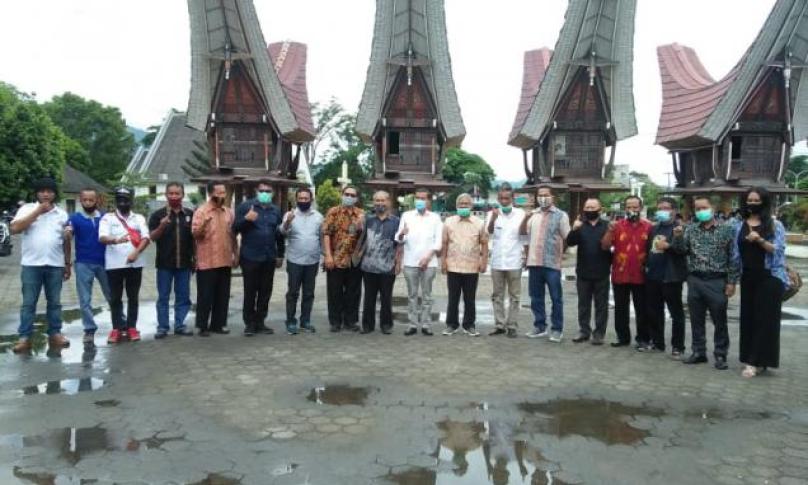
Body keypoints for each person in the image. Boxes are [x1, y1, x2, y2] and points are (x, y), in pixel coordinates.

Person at [671, 196, 739, 370]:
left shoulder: (727, 229)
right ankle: (698, 352)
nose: (701, 211)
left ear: (712, 208)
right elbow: (681, 251)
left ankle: (720, 354)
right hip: (695, 279)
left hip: (717, 280)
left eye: (704, 207)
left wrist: (732, 282)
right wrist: (677, 237)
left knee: (719, 320)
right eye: (698, 208)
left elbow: (734, 258)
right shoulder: (691, 230)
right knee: (696, 319)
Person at [11, 177, 71, 353]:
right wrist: (38, 211)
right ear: (36, 193)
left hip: (55, 264)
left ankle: (55, 334)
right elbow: (15, 228)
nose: (46, 194)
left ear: (54, 193)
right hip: (31, 265)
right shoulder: (27, 208)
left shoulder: (62, 214)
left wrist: (67, 264)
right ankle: (24, 338)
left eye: (49, 191)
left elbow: (66, 241)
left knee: (55, 302)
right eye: (42, 191)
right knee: (29, 303)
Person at [734, 187, 788, 378]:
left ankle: (755, 363)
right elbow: (735, 254)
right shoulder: (738, 224)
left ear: (764, 202)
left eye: (757, 200)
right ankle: (752, 358)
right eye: (750, 200)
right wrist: (732, 279)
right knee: (748, 319)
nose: (753, 204)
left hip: (770, 277)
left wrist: (759, 240)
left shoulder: (775, 225)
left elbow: (778, 250)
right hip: (748, 277)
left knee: (766, 321)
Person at [98, 187, 150, 344]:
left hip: (135, 264)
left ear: (131, 201)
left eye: (126, 199)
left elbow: (146, 237)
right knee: (115, 298)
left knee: (133, 297)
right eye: (120, 199)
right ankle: (116, 328)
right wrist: (115, 240)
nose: (123, 202)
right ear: (116, 201)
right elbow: (102, 237)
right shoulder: (108, 218)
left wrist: (136, 253)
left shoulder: (139, 218)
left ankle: (132, 327)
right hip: (114, 265)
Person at [233, 181, 285, 336]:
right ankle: (249, 324)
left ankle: (260, 322)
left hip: (269, 257)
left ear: (273, 193)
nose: (265, 193)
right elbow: (234, 229)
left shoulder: (275, 210)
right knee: (250, 291)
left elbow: (279, 234)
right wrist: (246, 219)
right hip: (250, 257)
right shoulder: (246, 207)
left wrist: (280, 254)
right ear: (256, 191)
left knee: (265, 291)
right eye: (262, 190)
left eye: (268, 191)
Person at [520, 185, 570, 342]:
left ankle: (557, 329)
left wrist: (559, 253)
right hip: (534, 262)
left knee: (556, 298)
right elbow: (522, 234)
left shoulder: (561, 215)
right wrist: (526, 218)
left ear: (552, 197)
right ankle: (540, 326)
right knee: (536, 297)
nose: (543, 197)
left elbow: (567, 237)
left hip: (552, 264)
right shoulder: (533, 215)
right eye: (540, 195)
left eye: (546, 195)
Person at [65, 188, 115, 344]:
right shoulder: (74, 218)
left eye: (91, 200)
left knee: (112, 295)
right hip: (83, 263)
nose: (88, 202)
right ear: (80, 200)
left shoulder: (106, 218)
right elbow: (68, 234)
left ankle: (119, 324)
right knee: (85, 299)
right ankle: (89, 329)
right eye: (84, 200)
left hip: (105, 262)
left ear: (97, 200)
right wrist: (67, 234)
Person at [602, 196, 652, 349]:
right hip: (620, 274)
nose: (632, 210)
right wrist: (610, 231)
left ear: (641, 208)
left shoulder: (649, 227)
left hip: (641, 274)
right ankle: (622, 338)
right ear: (625, 209)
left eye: (635, 207)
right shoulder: (616, 226)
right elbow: (605, 246)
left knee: (642, 308)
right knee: (621, 308)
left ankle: (643, 338)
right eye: (629, 207)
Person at [148, 182, 195, 339]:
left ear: (183, 195)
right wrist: (161, 226)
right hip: (164, 264)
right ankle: (162, 327)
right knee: (163, 297)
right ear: (166, 195)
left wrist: (195, 259)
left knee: (183, 296)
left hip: (184, 263)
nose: (174, 196)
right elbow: (152, 238)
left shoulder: (190, 214)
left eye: (177, 193)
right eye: (171, 193)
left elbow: (195, 239)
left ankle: (180, 325)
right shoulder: (157, 215)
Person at [192, 182, 238, 337]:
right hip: (207, 261)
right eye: (218, 193)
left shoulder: (228, 212)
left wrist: (236, 254)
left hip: (225, 260)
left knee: (223, 295)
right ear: (211, 193)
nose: (222, 196)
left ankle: (218, 324)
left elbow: (233, 236)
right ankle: (202, 326)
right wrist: (204, 224)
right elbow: (195, 235)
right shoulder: (201, 211)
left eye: (224, 193)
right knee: (205, 295)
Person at [396, 188, 443, 336]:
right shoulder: (406, 215)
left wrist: (428, 257)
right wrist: (402, 234)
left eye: (423, 198)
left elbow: (438, 241)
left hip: (429, 263)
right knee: (412, 295)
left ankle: (426, 324)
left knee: (427, 296)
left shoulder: (435, 218)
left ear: (429, 200)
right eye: (417, 198)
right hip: (410, 262)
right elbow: (398, 238)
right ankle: (412, 324)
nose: (420, 201)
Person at [645, 197, 687, 357]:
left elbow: (684, 251)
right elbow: (649, 249)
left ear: (674, 211)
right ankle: (657, 342)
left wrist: (670, 245)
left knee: (676, 313)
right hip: (653, 276)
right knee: (654, 311)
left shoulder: (680, 229)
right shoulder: (653, 229)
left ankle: (678, 346)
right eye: (660, 208)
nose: (663, 211)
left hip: (671, 277)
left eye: (666, 208)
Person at [441, 193, 488, 336]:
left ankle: (469, 325)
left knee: (470, 298)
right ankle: (451, 324)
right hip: (453, 266)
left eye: (466, 204)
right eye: (461, 204)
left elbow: (484, 244)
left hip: (472, 267)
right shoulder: (448, 222)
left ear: (471, 206)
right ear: (456, 206)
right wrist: (443, 262)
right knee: (453, 298)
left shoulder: (479, 223)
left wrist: (484, 262)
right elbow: (444, 243)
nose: (463, 206)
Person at [565, 198, 611, 345]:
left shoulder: (607, 226)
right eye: (587, 207)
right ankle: (584, 331)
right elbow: (570, 242)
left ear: (600, 209)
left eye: (593, 207)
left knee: (601, 305)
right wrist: (574, 229)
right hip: (583, 272)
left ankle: (599, 334)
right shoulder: (580, 226)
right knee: (583, 304)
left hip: (602, 272)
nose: (590, 210)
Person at [322, 185, 364, 332]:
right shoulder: (333, 212)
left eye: (353, 195)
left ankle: (351, 321)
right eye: (347, 194)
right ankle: (335, 321)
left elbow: (365, 238)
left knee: (353, 292)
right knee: (335, 292)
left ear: (357, 198)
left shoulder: (361, 214)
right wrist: (328, 255)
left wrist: (361, 227)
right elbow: (326, 234)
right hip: (336, 259)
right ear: (342, 194)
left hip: (354, 260)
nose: (349, 197)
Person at [359, 191, 402, 334]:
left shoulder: (396, 221)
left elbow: (399, 243)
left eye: (382, 200)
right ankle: (367, 325)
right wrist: (357, 225)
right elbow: (359, 238)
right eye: (376, 200)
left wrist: (398, 262)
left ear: (388, 202)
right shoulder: (368, 219)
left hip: (387, 267)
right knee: (369, 298)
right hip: (368, 266)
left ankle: (386, 324)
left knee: (386, 297)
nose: (379, 203)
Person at [486, 185, 526, 338]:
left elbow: (524, 236)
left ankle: (512, 325)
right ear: (498, 199)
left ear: (512, 198)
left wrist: (526, 257)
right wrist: (494, 219)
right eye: (501, 198)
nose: (504, 201)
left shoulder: (521, 214)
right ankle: (499, 325)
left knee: (514, 295)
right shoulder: (492, 214)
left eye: (507, 198)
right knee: (497, 295)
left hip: (514, 261)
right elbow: (488, 233)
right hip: (497, 262)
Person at [281, 187, 322, 334]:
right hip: (294, 261)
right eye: (301, 198)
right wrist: (287, 223)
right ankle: (291, 321)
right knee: (293, 292)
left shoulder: (318, 216)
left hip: (312, 261)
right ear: (296, 199)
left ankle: (305, 321)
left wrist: (324, 256)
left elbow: (321, 238)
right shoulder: (290, 215)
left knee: (309, 293)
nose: (303, 201)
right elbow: (282, 232)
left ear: (311, 199)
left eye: (306, 198)